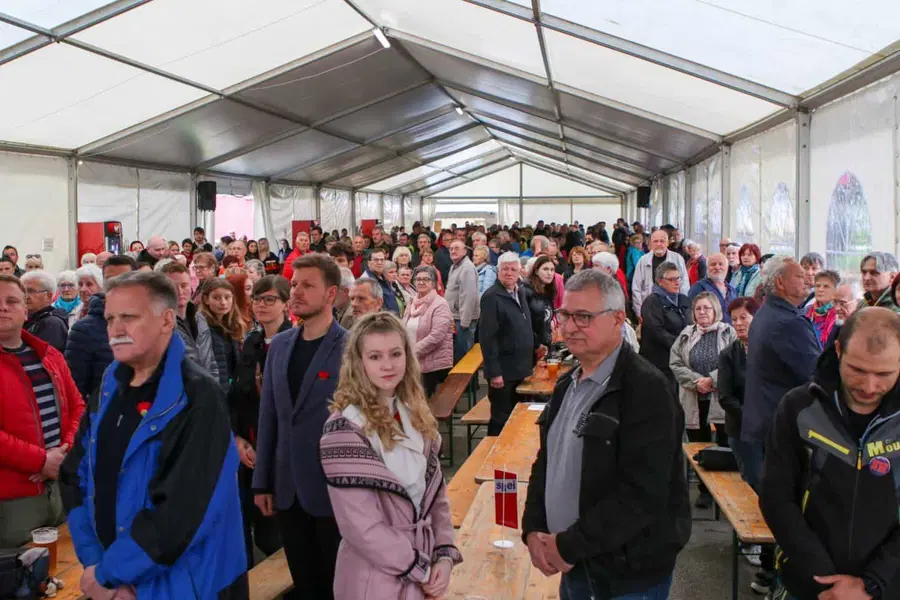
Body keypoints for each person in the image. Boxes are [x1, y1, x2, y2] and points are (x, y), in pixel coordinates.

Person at [60, 271, 248, 599]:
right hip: (116, 578)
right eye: (110, 319)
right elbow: (75, 475)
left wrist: (111, 574)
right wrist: (96, 564)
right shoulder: (109, 386)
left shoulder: (198, 396)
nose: (116, 329)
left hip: (188, 585)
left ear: (166, 320)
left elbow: (183, 511)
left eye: (129, 317)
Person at [522, 269, 690, 599]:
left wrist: (568, 546)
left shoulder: (647, 390)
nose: (570, 327)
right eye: (565, 315)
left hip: (625, 576)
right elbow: (547, 461)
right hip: (575, 565)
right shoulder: (567, 384)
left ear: (617, 320)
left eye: (584, 317)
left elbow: (642, 493)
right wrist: (533, 528)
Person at [760, 308, 900, 600]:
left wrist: (871, 584)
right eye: (857, 370)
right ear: (838, 350)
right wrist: (827, 582)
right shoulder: (799, 408)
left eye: (884, 374)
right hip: (808, 583)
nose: (869, 386)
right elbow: (776, 497)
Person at [320, 312, 461, 600]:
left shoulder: (414, 414)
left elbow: (437, 499)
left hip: (423, 567)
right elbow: (361, 527)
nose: (388, 365)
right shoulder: (344, 429)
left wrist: (444, 555)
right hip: (374, 577)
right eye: (375, 356)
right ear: (358, 362)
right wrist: (420, 568)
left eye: (396, 353)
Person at [253, 254, 347, 599]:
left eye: (308, 285)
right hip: (288, 489)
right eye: (294, 284)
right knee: (305, 585)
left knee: (337, 587)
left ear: (331, 293)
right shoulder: (280, 346)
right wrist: (262, 482)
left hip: (336, 490)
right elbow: (269, 416)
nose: (296, 292)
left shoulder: (351, 347)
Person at [0, 274, 84, 547]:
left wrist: (64, 450)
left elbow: (78, 406)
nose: (3, 308)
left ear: (26, 310)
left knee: (63, 565)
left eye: (12, 301)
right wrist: (40, 460)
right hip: (12, 500)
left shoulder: (49, 356)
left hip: (58, 488)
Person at [229, 276, 289, 569]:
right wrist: (237, 439)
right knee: (248, 524)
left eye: (270, 299)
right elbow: (236, 397)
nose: (261, 305)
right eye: (257, 299)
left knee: (276, 535)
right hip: (248, 449)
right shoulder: (250, 342)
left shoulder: (294, 341)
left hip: (281, 454)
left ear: (286, 304)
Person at [670, 292, 737, 508]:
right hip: (694, 398)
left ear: (715, 310)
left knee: (725, 445)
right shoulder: (686, 334)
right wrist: (697, 381)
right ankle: (704, 491)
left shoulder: (728, 333)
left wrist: (712, 380)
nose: (702, 312)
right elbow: (675, 363)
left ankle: (727, 493)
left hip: (721, 399)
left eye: (706, 308)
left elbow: (734, 363)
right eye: (698, 308)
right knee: (700, 446)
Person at [480, 253, 540, 435]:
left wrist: (536, 345)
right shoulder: (491, 297)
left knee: (519, 417)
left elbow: (525, 323)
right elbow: (487, 337)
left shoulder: (519, 291)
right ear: (498, 271)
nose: (509, 273)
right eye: (505, 269)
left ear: (519, 272)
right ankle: (493, 450)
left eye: (513, 269)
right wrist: (494, 372)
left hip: (522, 366)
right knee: (501, 418)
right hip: (504, 371)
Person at [65, 257, 135, 401]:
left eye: (124, 279)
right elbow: (74, 390)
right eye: (110, 280)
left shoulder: (152, 322)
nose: (117, 285)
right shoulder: (84, 330)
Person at [717, 296, 758, 480]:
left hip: (769, 429)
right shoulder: (728, 355)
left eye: (743, 317)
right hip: (741, 430)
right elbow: (725, 397)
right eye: (734, 319)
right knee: (753, 480)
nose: (738, 323)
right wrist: (750, 419)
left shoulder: (767, 349)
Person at [160, 261, 219, 378]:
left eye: (184, 285)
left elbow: (211, 360)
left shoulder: (200, 318)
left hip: (205, 385)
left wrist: (214, 386)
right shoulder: (159, 324)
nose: (180, 292)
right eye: (173, 287)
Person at [403, 266, 454, 397]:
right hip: (413, 362)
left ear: (433, 283)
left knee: (424, 401)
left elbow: (436, 337)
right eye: (418, 279)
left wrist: (412, 351)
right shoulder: (412, 302)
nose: (421, 282)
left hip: (432, 365)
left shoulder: (440, 304)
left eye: (426, 279)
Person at [639, 261, 692, 386]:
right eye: (672, 279)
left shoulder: (683, 299)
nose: (677, 282)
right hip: (659, 362)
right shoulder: (652, 302)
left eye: (678, 278)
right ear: (660, 281)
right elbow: (656, 331)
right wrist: (680, 345)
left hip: (681, 360)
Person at [198, 279, 246, 388]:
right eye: (216, 298)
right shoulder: (201, 326)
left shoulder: (234, 325)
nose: (223, 303)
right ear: (206, 299)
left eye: (227, 297)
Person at [631, 230, 689, 318]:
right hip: (650, 308)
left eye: (662, 241)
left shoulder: (677, 259)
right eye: (655, 241)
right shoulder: (643, 261)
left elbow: (684, 285)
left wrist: (683, 309)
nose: (659, 244)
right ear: (650, 243)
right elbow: (636, 288)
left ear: (667, 243)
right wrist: (639, 312)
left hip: (673, 307)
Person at [445, 240, 480, 362]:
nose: (453, 251)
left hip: (464, 320)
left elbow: (469, 295)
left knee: (464, 357)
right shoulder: (454, 266)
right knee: (459, 353)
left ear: (465, 251)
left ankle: (466, 376)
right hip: (456, 316)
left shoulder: (467, 268)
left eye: (456, 248)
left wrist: (465, 321)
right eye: (451, 249)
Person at [22, 270, 69, 352]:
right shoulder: (27, 319)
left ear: (48, 296)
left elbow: (43, 356)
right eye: (23, 291)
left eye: (31, 291)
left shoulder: (52, 323)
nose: (26, 296)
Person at [688, 253, 737, 324]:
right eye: (713, 264)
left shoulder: (732, 290)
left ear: (727, 268)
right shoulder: (698, 288)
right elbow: (691, 315)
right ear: (707, 268)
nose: (717, 267)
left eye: (721, 264)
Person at [523, 256, 558, 352]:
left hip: (545, 344)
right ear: (536, 271)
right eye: (545, 269)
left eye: (552, 270)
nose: (549, 273)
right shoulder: (525, 290)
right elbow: (524, 323)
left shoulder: (548, 291)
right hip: (530, 347)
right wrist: (537, 344)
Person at [805, 269, 840, 348]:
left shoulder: (840, 314)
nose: (820, 289)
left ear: (836, 290)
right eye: (817, 286)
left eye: (826, 286)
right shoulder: (806, 311)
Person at [362, 248, 400, 315]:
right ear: (369, 263)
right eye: (376, 260)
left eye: (382, 260)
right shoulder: (366, 281)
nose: (379, 262)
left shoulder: (383, 278)